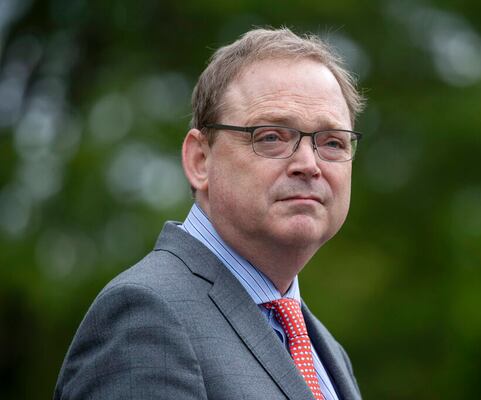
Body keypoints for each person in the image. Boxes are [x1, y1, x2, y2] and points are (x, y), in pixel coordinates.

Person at [54, 27, 365, 400]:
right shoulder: (146, 317)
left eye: (332, 142)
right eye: (271, 136)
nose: (308, 164)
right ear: (200, 160)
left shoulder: (326, 352)